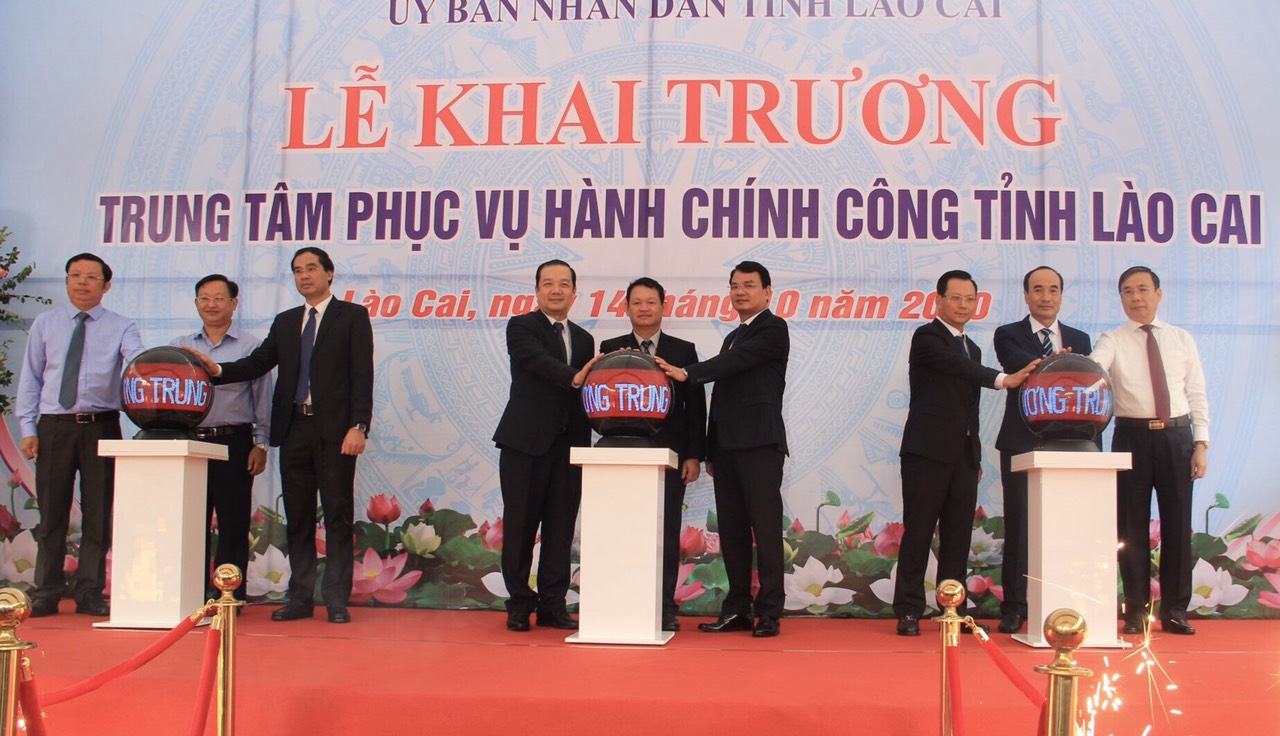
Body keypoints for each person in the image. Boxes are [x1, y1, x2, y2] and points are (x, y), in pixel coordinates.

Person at [190, 247, 373, 624]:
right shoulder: (287, 321)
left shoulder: (352, 316)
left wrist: (359, 425)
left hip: (335, 432)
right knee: (299, 517)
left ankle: (336, 599)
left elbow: (362, 374)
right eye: (297, 270)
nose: (304, 276)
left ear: (329, 273)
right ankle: (300, 598)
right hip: (293, 429)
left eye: (311, 268)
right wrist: (218, 370)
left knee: (337, 516)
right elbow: (258, 363)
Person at [893, 270, 1038, 636]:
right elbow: (957, 367)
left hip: (963, 457)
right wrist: (1003, 379)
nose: (962, 305)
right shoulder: (927, 337)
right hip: (926, 453)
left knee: (958, 536)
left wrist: (974, 456)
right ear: (938, 300)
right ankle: (908, 610)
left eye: (969, 299)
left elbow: (970, 408)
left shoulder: (971, 346)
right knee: (919, 532)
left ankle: (952, 609)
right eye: (955, 298)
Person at [657, 261, 789, 638]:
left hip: (760, 445)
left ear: (767, 292)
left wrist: (689, 372)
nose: (740, 292)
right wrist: (711, 450)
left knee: (765, 530)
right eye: (734, 286)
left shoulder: (773, 328)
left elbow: (734, 364)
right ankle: (738, 609)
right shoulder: (733, 335)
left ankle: (770, 612)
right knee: (731, 532)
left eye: (749, 285)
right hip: (728, 450)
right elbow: (723, 397)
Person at [17, 253, 144, 617]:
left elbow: (138, 362)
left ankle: (89, 591)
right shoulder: (45, 324)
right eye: (75, 275)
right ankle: (46, 591)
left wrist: (152, 367)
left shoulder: (122, 326)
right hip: (54, 427)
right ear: (67, 281)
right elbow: (31, 378)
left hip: (101, 426)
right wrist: (28, 428)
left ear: (106, 285)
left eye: (91, 277)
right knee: (52, 512)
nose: (82, 282)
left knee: (98, 513)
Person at [1090, 266, 1208, 636]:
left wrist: (1201, 444)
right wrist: (1079, 368)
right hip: (1131, 438)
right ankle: (1136, 612)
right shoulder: (1112, 338)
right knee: (1131, 528)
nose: (1136, 297)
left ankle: (1175, 610)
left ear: (1158, 293)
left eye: (1142, 289)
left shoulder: (1181, 339)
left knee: (1177, 525)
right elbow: (1095, 367)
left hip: (1177, 437)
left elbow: (1196, 394)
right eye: (1127, 291)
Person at [493, 259, 600, 632]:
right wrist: (575, 376)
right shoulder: (522, 326)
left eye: (564, 284)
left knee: (560, 529)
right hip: (525, 444)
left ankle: (553, 604)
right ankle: (520, 604)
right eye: (548, 283)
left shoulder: (584, 339)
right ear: (537, 290)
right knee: (520, 528)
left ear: (574, 292)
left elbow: (586, 393)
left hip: (569, 447)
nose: (556, 290)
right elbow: (537, 362)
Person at [600, 277, 707, 633]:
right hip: (621, 457)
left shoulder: (683, 350)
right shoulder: (610, 348)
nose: (643, 308)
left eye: (650, 302)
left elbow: (695, 408)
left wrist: (693, 455)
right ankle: (621, 602)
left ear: (663, 306)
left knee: (666, 533)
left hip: (670, 457)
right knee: (622, 531)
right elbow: (598, 401)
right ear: (626, 308)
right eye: (637, 302)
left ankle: (664, 607)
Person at [991, 266, 1094, 634]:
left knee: (1066, 527)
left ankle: (1061, 604)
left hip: (1069, 445)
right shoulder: (1007, 334)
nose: (1045, 297)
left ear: (1061, 295)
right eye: (1038, 289)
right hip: (1021, 442)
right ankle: (1015, 606)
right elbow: (1020, 368)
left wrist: (1064, 366)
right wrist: (1058, 364)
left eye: (1053, 289)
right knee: (1019, 527)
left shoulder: (1081, 339)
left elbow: (1084, 383)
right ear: (1026, 295)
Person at [170, 274, 272, 601]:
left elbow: (263, 399)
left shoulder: (252, 347)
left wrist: (261, 443)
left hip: (234, 443)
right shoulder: (179, 346)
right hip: (190, 443)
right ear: (196, 303)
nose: (211, 304)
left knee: (233, 523)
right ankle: (191, 595)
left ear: (233, 303)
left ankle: (229, 596)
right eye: (204, 298)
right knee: (190, 523)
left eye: (218, 298)